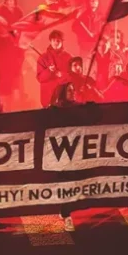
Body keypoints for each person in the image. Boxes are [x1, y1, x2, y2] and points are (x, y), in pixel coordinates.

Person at [49, 82, 78, 231]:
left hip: (76, 152)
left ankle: (64, 211)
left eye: (73, 90)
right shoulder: (54, 110)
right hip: (60, 153)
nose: (73, 92)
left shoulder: (78, 108)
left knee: (73, 184)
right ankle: (66, 215)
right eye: (69, 90)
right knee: (65, 184)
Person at [36, 30, 73, 108]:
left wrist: (62, 75)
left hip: (64, 100)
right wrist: (49, 71)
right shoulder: (43, 58)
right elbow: (40, 78)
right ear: (50, 41)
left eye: (58, 40)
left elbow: (73, 77)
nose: (56, 42)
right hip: (48, 100)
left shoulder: (68, 58)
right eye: (53, 40)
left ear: (62, 41)